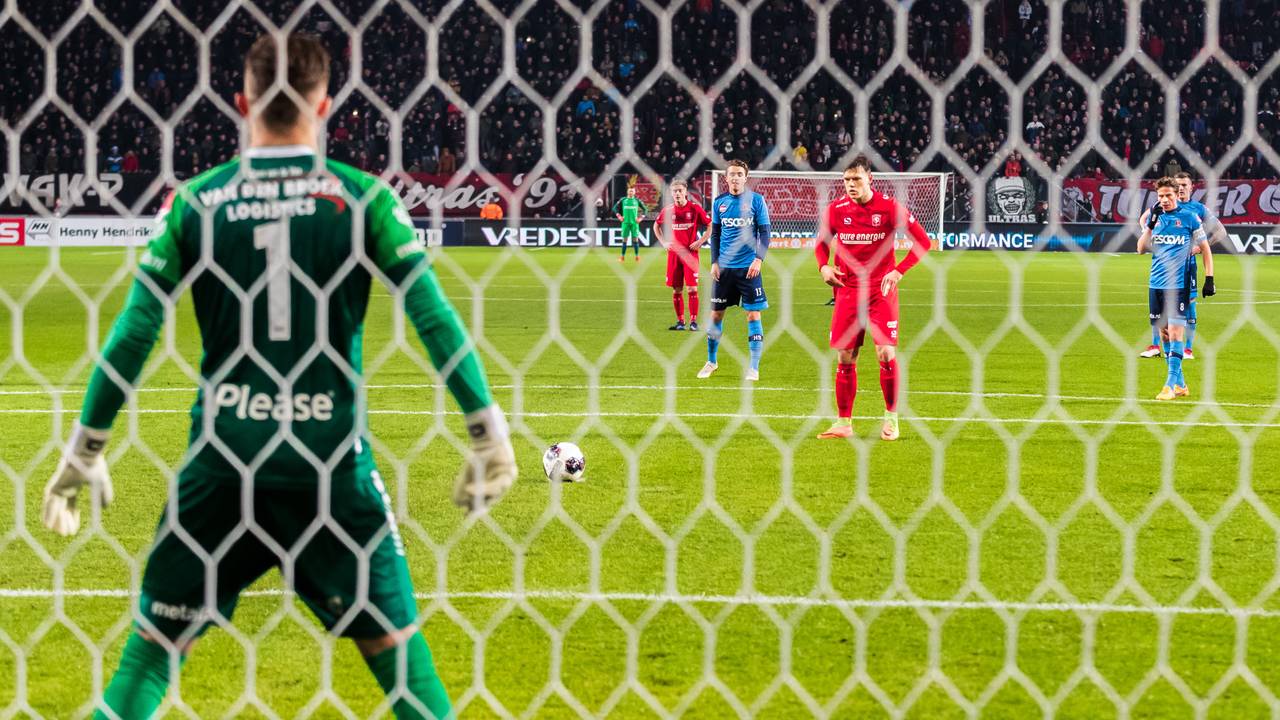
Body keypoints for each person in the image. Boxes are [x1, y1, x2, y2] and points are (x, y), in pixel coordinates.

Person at [40, 33, 517, 720]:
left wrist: (86, 447)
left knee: (145, 663)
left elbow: (134, 333)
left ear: (242, 104)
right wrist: (487, 432)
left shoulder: (195, 203)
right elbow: (432, 315)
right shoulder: (364, 199)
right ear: (324, 106)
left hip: (222, 468)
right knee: (405, 671)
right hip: (329, 470)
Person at [815, 155, 932, 441]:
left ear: (870, 179)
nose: (850, 184)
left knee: (885, 353)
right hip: (848, 291)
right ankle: (844, 422)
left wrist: (899, 271)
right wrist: (823, 266)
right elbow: (821, 244)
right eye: (846, 180)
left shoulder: (890, 207)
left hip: (881, 291)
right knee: (845, 356)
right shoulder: (835, 210)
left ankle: (891, 419)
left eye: (856, 179)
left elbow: (923, 241)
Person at [1136, 176, 1215, 400]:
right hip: (1156, 284)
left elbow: (1205, 248)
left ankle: (1169, 386)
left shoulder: (1189, 217)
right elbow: (1140, 249)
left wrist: (1209, 278)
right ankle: (1180, 385)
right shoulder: (1156, 217)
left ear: (1176, 195)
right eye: (1160, 196)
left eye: (1168, 195)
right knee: (1164, 334)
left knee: (1175, 332)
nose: (1164, 200)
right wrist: (1150, 225)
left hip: (1179, 285)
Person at [698, 159, 771, 382]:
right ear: (726, 177)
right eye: (732, 174)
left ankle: (754, 367)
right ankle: (712, 361)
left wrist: (758, 259)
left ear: (745, 177)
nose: (736, 177)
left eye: (740, 174)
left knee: (753, 314)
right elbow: (716, 234)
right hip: (724, 269)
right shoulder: (719, 202)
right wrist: (714, 262)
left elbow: (765, 232)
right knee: (715, 314)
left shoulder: (756, 200)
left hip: (749, 269)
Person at [652, 178, 711, 331]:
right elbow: (656, 225)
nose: (677, 193)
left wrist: (701, 241)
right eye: (675, 191)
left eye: (680, 190)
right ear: (671, 193)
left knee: (692, 289)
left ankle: (693, 322)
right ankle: (680, 322)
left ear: (685, 192)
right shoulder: (668, 210)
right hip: (674, 255)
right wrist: (664, 242)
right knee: (677, 290)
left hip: (690, 254)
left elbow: (710, 224)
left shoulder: (695, 208)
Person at [613, 185, 648, 262]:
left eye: (632, 191)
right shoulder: (623, 200)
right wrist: (619, 216)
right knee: (624, 240)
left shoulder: (637, 201)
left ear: (634, 192)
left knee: (635, 239)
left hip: (634, 223)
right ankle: (622, 257)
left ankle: (637, 256)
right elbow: (615, 208)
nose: (631, 192)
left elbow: (645, 210)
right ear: (627, 192)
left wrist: (641, 218)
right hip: (625, 223)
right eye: (630, 191)